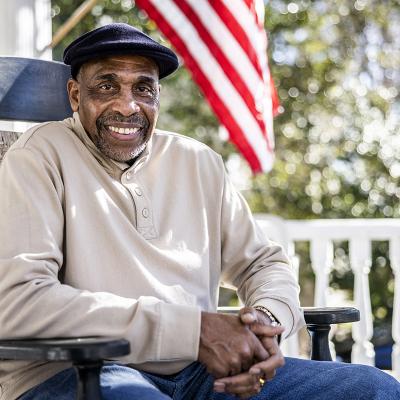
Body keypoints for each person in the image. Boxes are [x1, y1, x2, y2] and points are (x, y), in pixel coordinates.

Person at [0, 23, 398, 400]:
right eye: (106, 86)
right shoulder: (38, 156)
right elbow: (20, 300)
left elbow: (262, 263)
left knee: (374, 389)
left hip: (200, 373)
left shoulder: (197, 162)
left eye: (143, 88)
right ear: (75, 95)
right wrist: (195, 331)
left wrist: (263, 327)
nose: (127, 106)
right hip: (80, 370)